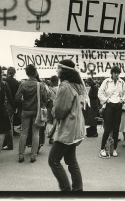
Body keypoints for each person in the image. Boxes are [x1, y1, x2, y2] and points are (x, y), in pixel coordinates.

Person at [48, 59, 86, 191]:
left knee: (53, 160)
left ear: (64, 70)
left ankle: (66, 192)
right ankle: (78, 190)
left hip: (68, 129)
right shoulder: (75, 84)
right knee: (71, 161)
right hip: (75, 127)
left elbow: (59, 111)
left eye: (58, 68)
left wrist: (53, 109)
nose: (56, 70)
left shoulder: (65, 86)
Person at [15, 64, 47, 163]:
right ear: (35, 72)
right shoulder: (40, 85)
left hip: (26, 110)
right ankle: (33, 155)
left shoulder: (23, 84)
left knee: (24, 133)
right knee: (35, 133)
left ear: (27, 73)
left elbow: (17, 98)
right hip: (36, 111)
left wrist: (24, 102)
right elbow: (45, 98)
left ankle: (21, 155)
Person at [98, 66, 125, 158]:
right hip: (109, 106)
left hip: (118, 106)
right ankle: (102, 148)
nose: (116, 75)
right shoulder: (106, 81)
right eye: (115, 73)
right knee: (107, 128)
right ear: (112, 73)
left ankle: (114, 149)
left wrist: (122, 100)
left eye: (118, 73)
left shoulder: (122, 82)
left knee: (116, 128)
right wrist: (106, 100)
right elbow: (100, 93)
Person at [2, 67, 20, 150]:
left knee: (6, 124)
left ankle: (7, 143)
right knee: (10, 122)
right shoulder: (17, 83)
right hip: (12, 104)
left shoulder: (4, 81)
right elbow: (17, 96)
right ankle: (7, 142)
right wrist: (16, 106)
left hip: (4, 104)